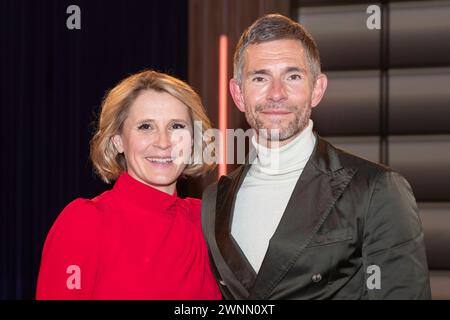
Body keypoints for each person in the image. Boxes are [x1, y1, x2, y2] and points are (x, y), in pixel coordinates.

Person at [201, 14, 431, 299]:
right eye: (260, 77)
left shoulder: (376, 189)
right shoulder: (214, 200)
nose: (276, 94)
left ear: (317, 89)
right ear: (238, 93)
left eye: (293, 76)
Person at [36, 70, 222, 300]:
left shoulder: (209, 221)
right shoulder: (85, 222)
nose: (163, 142)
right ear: (118, 141)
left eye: (176, 126)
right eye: (145, 126)